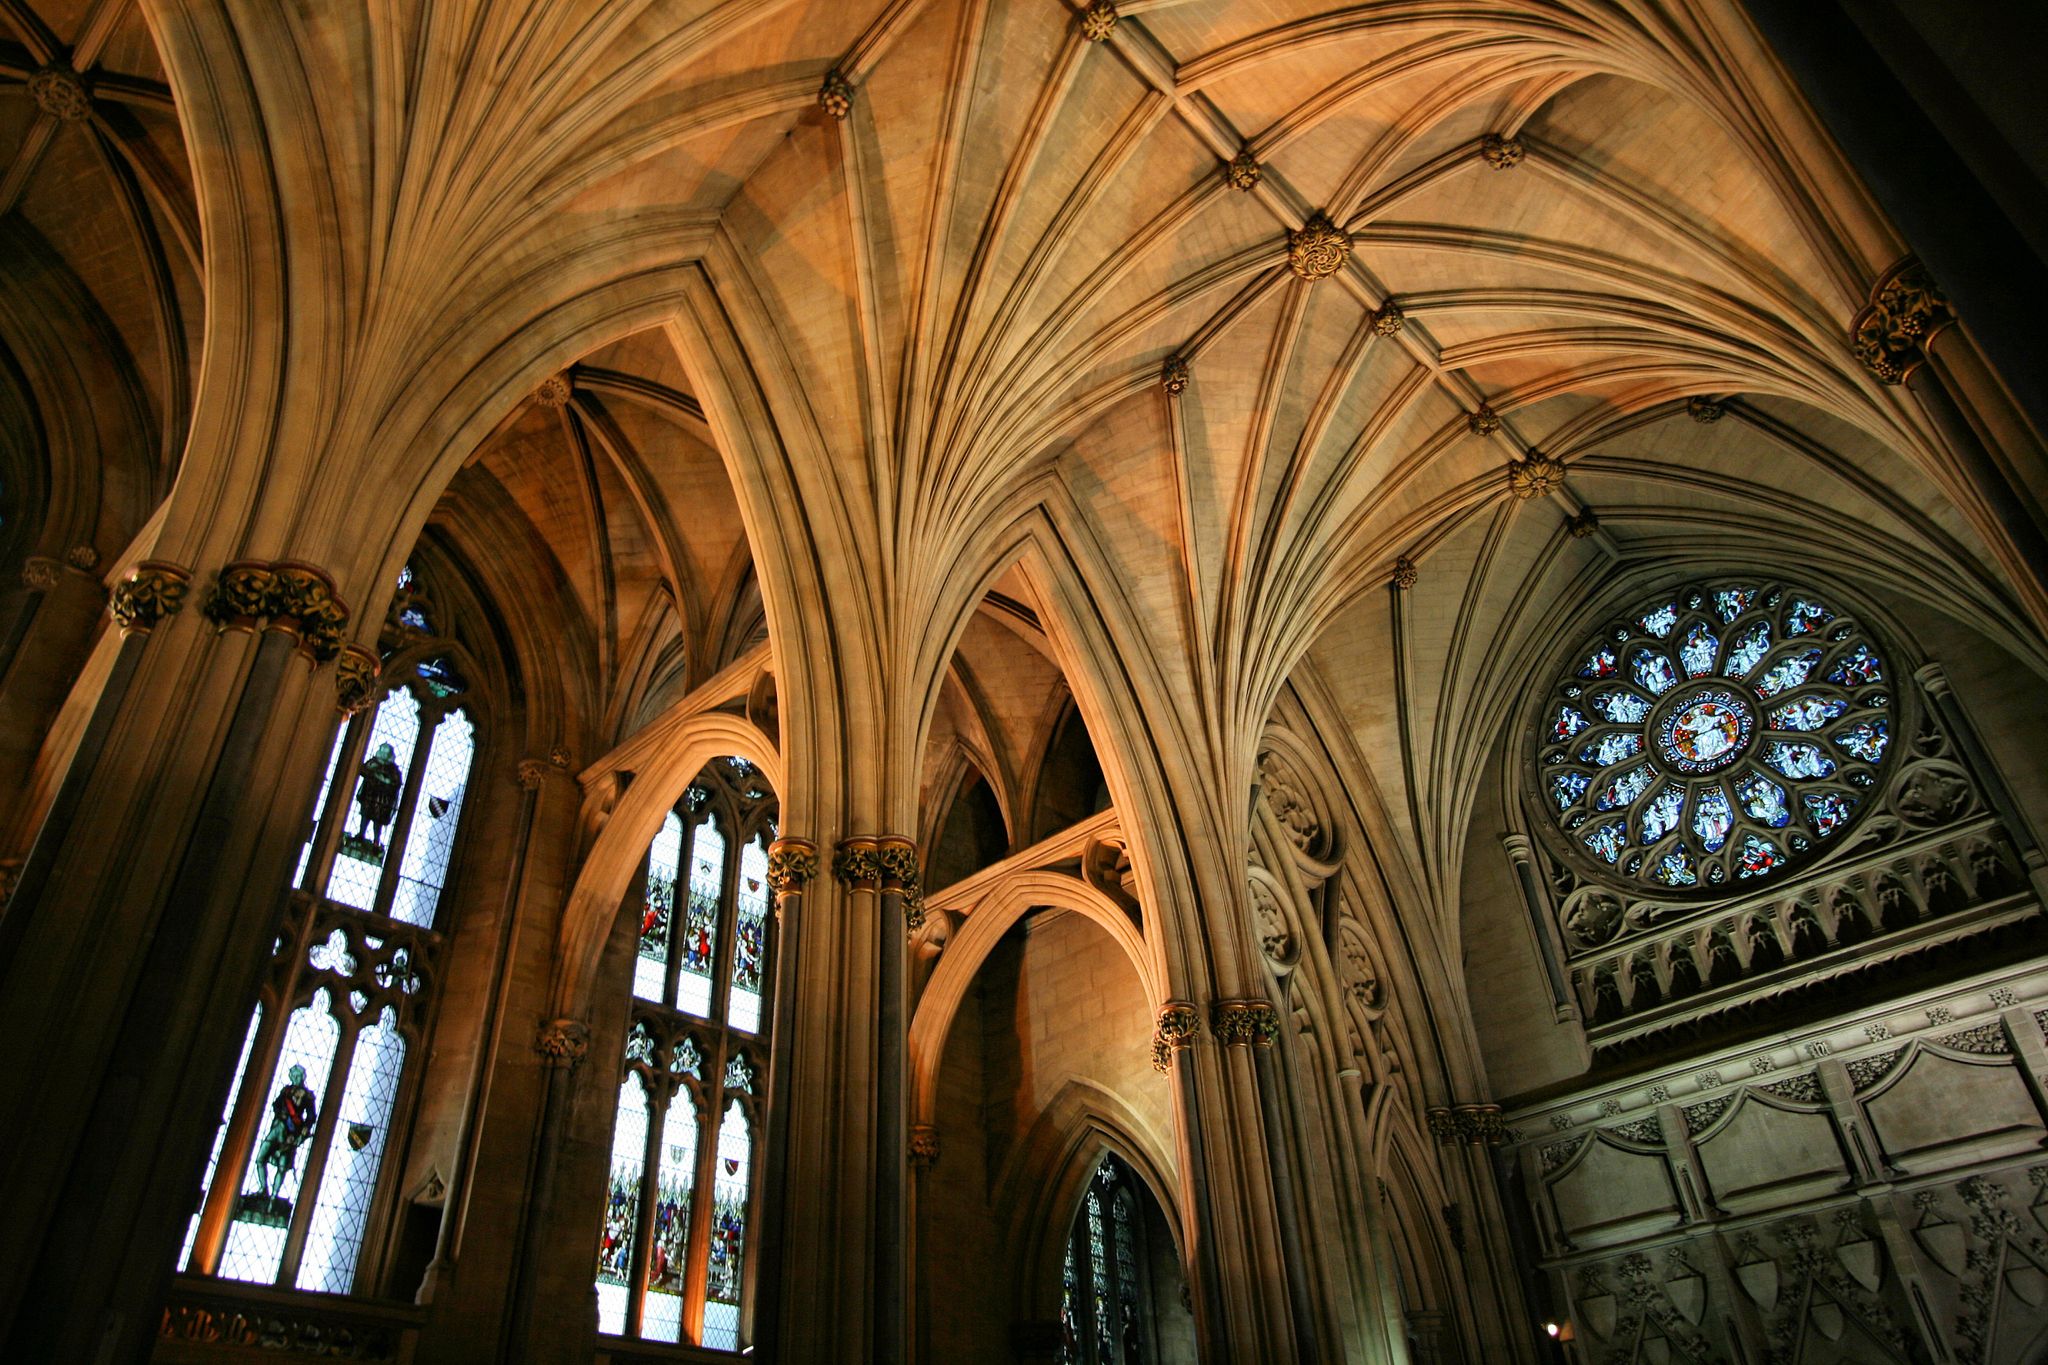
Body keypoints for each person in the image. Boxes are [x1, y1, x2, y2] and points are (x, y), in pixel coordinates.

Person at [253, 1065, 319, 1201]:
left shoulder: (308, 1096)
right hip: (278, 1128)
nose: (296, 1078)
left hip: (291, 1133)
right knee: (260, 1158)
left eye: (298, 1076)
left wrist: (303, 1130)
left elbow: (311, 1117)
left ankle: (274, 1196)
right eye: (294, 1076)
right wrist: (282, 1115)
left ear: (303, 1077)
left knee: (283, 1165)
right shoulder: (286, 1091)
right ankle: (263, 1189)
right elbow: (276, 1105)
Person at [353, 742, 403, 851]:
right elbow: (363, 770)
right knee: (365, 815)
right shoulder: (373, 762)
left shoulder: (393, 769)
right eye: (383, 752)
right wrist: (374, 772)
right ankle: (361, 835)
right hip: (369, 795)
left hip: (382, 800)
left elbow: (397, 782)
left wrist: (385, 780)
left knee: (378, 821)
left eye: (386, 753)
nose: (384, 756)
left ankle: (376, 841)